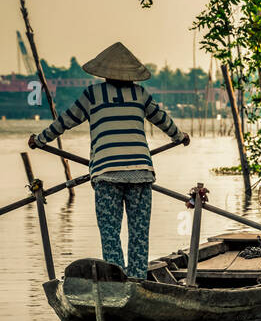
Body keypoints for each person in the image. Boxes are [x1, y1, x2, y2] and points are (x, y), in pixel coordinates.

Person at [28, 42, 189, 279]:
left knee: (110, 233)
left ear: (105, 73)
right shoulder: (140, 94)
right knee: (139, 234)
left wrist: (39, 139)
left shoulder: (93, 94)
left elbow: (65, 121)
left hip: (106, 174)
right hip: (140, 172)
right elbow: (163, 120)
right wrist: (181, 136)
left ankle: (117, 282)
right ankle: (136, 281)